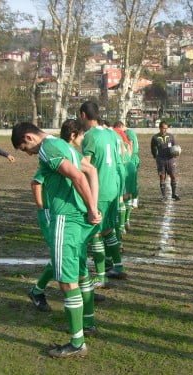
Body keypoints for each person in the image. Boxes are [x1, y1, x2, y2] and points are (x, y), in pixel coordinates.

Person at [12, 122, 101, 358]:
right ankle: (88, 323)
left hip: (66, 218)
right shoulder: (62, 144)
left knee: (66, 280)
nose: (29, 154)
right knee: (81, 271)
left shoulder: (46, 149)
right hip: (79, 218)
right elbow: (91, 171)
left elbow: (78, 177)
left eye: (24, 148)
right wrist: (94, 206)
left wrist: (93, 208)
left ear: (29, 138)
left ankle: (77, 343)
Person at [80, 102, 126, 283]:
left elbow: (86, 164)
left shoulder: (89, 136)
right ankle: (118, 266)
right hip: (114, 186)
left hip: (99, 188)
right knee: (108, 229)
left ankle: (100, 277)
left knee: (96, 232)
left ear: (83, 115)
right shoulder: (112, 133)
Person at [150, 121, 180, 200]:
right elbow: (152, 148)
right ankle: (163, 196)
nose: (165, 130)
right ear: (160, 128)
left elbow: (175, 147)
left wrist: (176, 153)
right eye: (163, 128)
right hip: (161, 160)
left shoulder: (171, 136)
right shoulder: (155, 137)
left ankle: (174, 194)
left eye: (166, 128)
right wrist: (156, 157)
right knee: (162, 177)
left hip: (170, 160)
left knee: (173, 176)